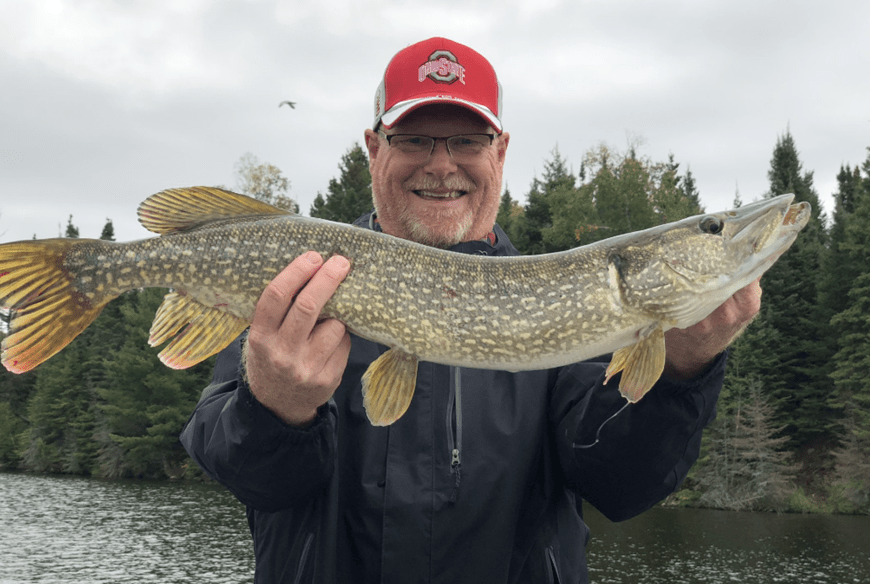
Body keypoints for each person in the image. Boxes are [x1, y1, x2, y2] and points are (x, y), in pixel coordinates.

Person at [181, 37, 760, 583]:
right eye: (415, 140)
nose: (441, 164)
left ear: (500, 151)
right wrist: (274, 410)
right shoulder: (301, 281)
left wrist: (680, 375)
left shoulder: (573, 312)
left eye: (466, 141)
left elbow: (620, 484)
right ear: (373, 148)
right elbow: (245, 473)